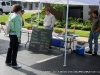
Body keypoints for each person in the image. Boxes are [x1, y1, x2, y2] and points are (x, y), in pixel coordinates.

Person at [5, 4, 22, 68]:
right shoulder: (17, 17)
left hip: (10, 34)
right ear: (19, 10)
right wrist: (19, 37)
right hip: (15, 35)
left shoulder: (11, 15)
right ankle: (14, 64)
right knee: (15, 50)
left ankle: (8, 61)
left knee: (10, 48)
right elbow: (17, 28)